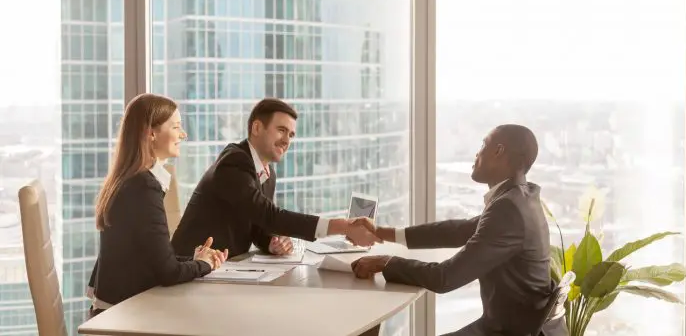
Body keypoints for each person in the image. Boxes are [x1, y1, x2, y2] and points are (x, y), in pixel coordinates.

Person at [351, 124, 567, 336]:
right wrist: (382, 232)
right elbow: (457, 230)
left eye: (483, 144)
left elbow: (445, 277)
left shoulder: (508, 208)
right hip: (517, 326)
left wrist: (386, 263)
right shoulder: (520, 197)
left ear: (498, 151)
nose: (477, 153)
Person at [171, 98, 379, 258]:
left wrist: (271, 241)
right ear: (257, 128)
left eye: (291, 135)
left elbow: (258, 222)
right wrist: (342, 225)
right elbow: (270, 215)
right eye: (281, 130)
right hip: (191, 265)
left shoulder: (267, 173)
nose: (286, 140)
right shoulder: (234, 162)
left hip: (225, 267)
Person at [86, 93, 227, 318]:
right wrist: (204, 264)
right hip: (122, 318)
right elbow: (168, 273)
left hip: (116, 309)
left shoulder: (131, 179)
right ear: (151, 133)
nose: (183, 134)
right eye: (176, 127)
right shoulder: (143, 186)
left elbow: (148, 258)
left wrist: (195, 259)